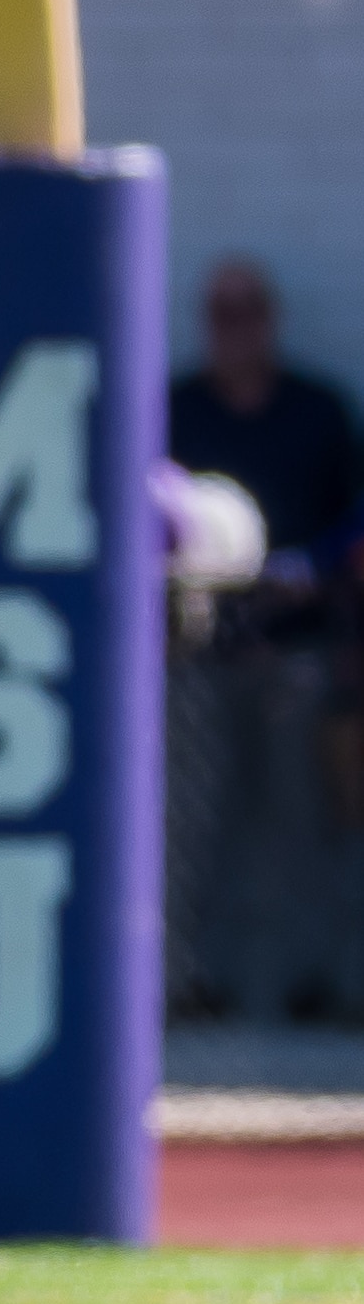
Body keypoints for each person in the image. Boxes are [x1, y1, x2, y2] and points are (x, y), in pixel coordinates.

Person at [165, 257, 363, 1020]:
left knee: (301, 822)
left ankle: (316, 981)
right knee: (192, 827)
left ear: (270, 322)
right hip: (196, 657)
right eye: (220, 314)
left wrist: (305, 570)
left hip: (300, 655)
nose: (234, 329)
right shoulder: (177, 408)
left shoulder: (317, 410)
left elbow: (350, 517)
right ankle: (193, 981)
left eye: (247, 313)